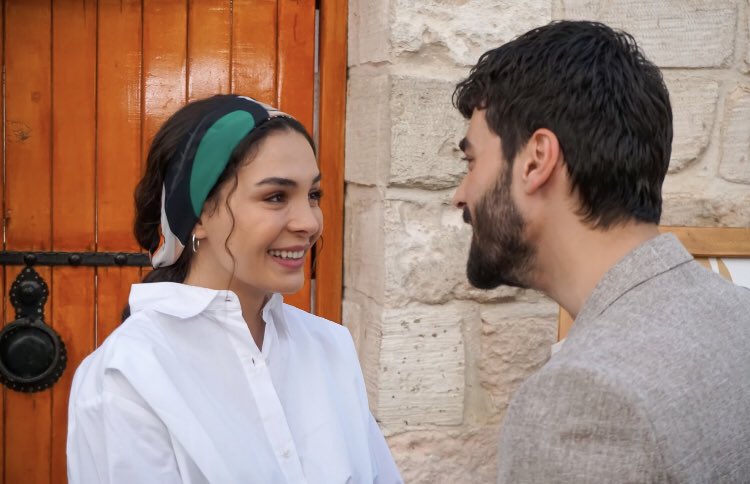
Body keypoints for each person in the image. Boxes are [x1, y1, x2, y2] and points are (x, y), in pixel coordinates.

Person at [451, 20, 750, 483]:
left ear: (536, 160)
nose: (460, 195)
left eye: (471, 162)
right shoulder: (739, 314)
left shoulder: (580, 403)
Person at [67, 94, 402, 484]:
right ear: (198, 216)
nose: (309, 223)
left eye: (313, 195)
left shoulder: (330, 347)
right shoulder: (129, 374)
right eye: (275, 197)